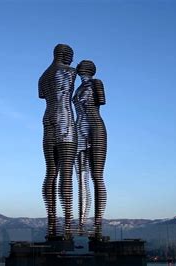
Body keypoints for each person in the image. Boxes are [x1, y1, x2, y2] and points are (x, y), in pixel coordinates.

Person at [39, 44, 77, 239]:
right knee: (67, 174)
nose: (72, 59)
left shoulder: (43, 77)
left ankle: (52, 223)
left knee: (51, 172)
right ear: (64, 54)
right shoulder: (70, 72)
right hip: (65, 120)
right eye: (71, 55)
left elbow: (42, 96)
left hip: (47, 120)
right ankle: (68, 227)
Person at [73, 60, 107, 239]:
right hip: (79, 132)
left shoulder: (96, 83)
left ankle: (97, 226)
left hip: (95, 129)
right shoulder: (77, 89)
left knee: (97, 176)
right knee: (80, 179)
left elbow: (100, 102)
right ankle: (81, 224)